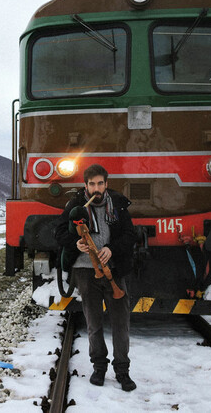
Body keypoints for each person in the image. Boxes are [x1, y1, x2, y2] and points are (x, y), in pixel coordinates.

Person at [54, 164, 137, 391]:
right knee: (94, 323)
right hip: (85, 271)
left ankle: (122, 371)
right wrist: (75, 243)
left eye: (100, 183)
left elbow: (130, 235)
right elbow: (59, 232)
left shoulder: (118, 205)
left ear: (106, 184)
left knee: (121, 324)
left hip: (113, 271)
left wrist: (112, 249)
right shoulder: (76, 205)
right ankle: (99, 368)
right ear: (86, 185)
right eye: (92, 184)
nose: (96, 188)